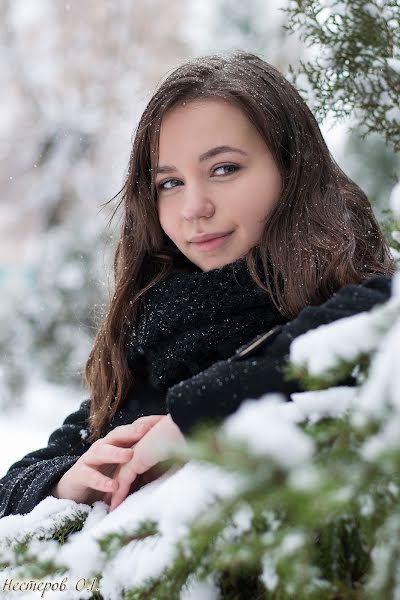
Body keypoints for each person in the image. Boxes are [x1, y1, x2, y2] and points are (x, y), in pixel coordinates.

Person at [0, 51, 395, 518]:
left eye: (224, 169)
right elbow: (15, 486)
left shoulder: (351, 305)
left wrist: (197, 418)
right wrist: (65, 481)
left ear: (292, 170)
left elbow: (376, 320)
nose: (194, 207)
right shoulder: (157, 341)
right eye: (170, 183)